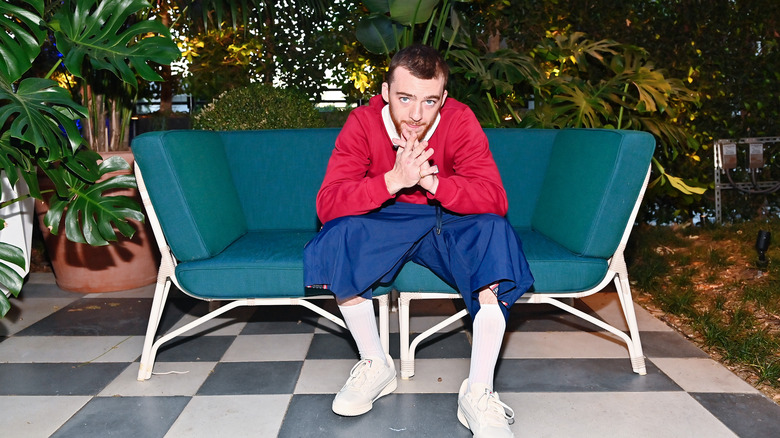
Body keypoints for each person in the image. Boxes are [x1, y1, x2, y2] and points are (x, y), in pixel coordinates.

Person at [304, 44, 534, 437]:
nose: (415, 114)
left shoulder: (460, 119)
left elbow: (494, 197)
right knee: (337, 234)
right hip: (386, 217)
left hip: (446, 216)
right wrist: (393, 181)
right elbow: (327, 203)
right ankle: (377, 363)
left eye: (429, 102)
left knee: (495, 230)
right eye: (405, 98)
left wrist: (433, 182)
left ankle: (478, 391)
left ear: (443, 98)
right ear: (385, 91)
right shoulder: (362, 122)